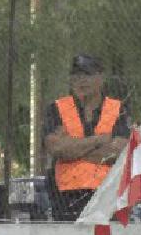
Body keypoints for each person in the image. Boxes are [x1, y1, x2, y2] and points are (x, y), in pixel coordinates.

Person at [44, 53, 131, 221]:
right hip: (66, 199)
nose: (81, 80)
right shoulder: (57, 109)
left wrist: (73, 147)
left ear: (101, 78)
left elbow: (119, 152)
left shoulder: (118, 109)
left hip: (108, 194)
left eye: (87, 74)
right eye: (76, 75)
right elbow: (58, 149)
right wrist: (99, 140)